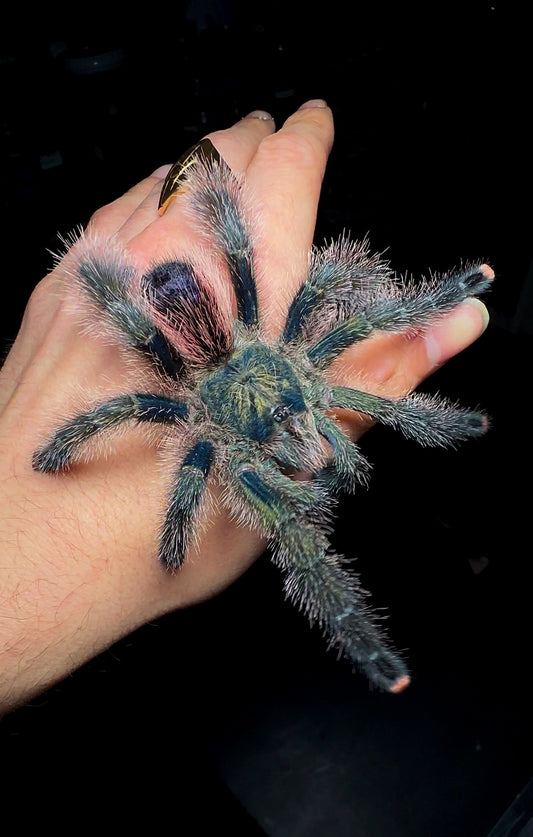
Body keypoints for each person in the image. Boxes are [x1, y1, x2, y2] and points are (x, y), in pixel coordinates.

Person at [0, 100, 489, 715]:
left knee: (339, 309)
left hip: (248, 349)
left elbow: (354, 299)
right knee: (291, 530)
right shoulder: (205, 437)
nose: (302, 433)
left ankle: (460, 310)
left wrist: (453, 294)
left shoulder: (303, 368)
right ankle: (372, 654)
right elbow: (147, 439)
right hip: (198, 357)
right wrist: (169, 527)